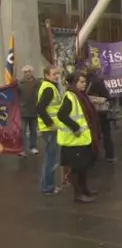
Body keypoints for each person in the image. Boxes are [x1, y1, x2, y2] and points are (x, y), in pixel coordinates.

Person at [57, 71, 97, 204]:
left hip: (82, 139)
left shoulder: (80, 96)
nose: (84, 84)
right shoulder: (70, 96)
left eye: (85, 82)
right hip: (73, 140)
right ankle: (78, 194)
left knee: (83, 167)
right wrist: (75, 127)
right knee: (76, 168)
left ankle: (85, 189)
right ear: (75, 83)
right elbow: (61, 114)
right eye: (81, 82)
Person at [36, 66, 63, 196]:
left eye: (57, 73)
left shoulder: (50, 86)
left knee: (50, 158)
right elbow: (40, 108)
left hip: (50, 128)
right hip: (50, 129)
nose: (56, 76)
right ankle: (48, 187)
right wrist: (50, 123)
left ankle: (47, 185)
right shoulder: (49, 88)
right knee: (51, 159)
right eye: (53, 74)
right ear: (47, 75)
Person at [18, 65, 40, 156]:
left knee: (33, 130)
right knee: (22, 130)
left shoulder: (38, 82)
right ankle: (22, 149)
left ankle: (33, 147)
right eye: (25, 72)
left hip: (34, 109)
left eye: (29, 71)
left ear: (32, 72)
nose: (27, 73)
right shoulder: (19, 83)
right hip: (23, 110)